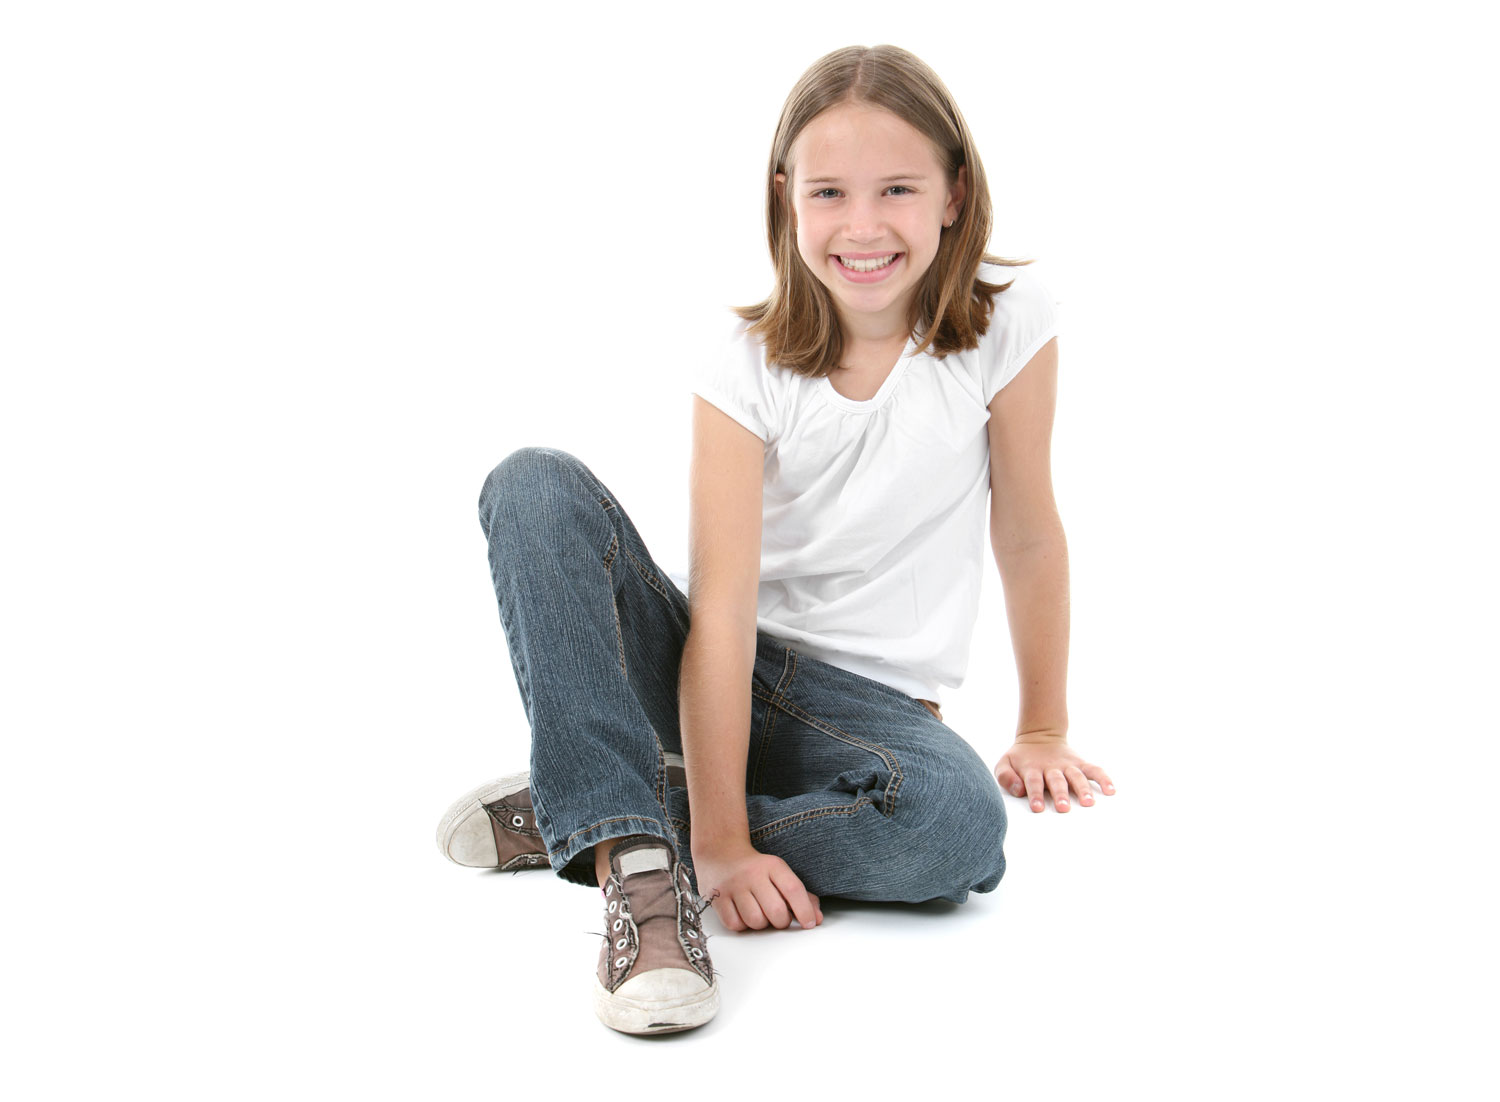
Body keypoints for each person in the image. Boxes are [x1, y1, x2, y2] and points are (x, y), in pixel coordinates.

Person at [434, 43, 1115, 1036]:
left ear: (955, 195)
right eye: (831, 192)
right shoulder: (744, 364)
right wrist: (720, 846)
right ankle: (644, 862)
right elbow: (724, 610)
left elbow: (1027, 532)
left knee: (960, 826)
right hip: (720, 658)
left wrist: (1044, 724)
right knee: (533, 486)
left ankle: (603, 805)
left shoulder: (1007, 324)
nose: (865, 225)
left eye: (898, 189)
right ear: (786, 195)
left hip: (872, 716)